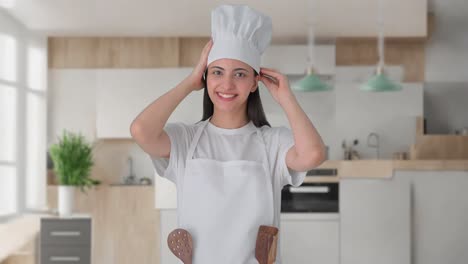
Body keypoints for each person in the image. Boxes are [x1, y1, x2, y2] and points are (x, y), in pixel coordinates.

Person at [130, 4, 326, 264]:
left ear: (255, 82)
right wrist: (189, 82)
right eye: (217, 72)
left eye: (240, 74)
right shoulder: (186, 140)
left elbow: (313, 154)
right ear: (206, 77)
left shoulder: (272, 143)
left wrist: (286, 98)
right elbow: (140, 130)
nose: (227, 84)